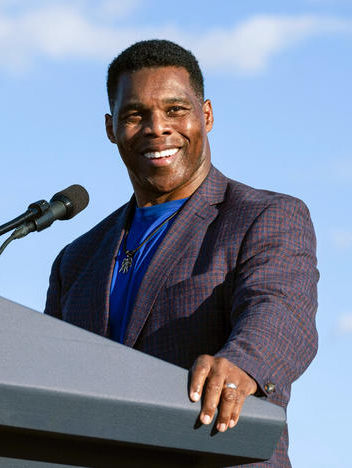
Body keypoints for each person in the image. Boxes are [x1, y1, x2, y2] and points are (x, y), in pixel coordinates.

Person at [44, 39, 318, 467]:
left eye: (175, 110)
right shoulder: (76, 261)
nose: (157, 127)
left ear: (205, 116)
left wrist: (243, 362)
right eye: (135, 115)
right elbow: (44, 382)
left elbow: (281, 309)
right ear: (110, 128)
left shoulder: (262, 216)